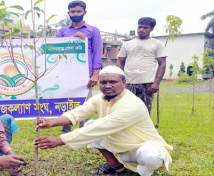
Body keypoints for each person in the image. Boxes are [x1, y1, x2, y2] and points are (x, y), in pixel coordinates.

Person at [34, 66, 173, 176]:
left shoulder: (132, 104)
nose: (107, 86)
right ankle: (115, 165)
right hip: (121, 148)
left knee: (150, 157)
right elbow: (78, 113)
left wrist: (59, 140)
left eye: (113, 82)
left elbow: (101, 127)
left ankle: (143, 173)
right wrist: (52, 123)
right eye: (103, 82)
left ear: (124, 83)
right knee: (90, 124)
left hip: (143, 147)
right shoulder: (100, 98)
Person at [56, 0, 103, 134]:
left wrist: (95, 74)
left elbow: (97, 52)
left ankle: (83, 132)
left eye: (78, 11)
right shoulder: (62, 31)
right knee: (66, 102)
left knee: (85, 104)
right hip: (65, 74)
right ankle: (66, 131)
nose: (75, 14)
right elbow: (55, 48)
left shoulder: (93, 31)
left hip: (85, 75)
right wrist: (73, 37)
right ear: (68, 13)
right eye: (73, 12)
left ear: (85, 12)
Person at [117, 17, 167, 115]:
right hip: (128, 83)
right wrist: (119, 80)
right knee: (125, 110)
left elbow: (162, 64)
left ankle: (143, 130)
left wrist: (156, 83)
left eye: (145, 27)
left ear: (151, 29)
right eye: (139, 27)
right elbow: (120, 62)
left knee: (144, 112)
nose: (141, 30)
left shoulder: (157, 44)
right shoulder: (127, 44)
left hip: (147, 84)